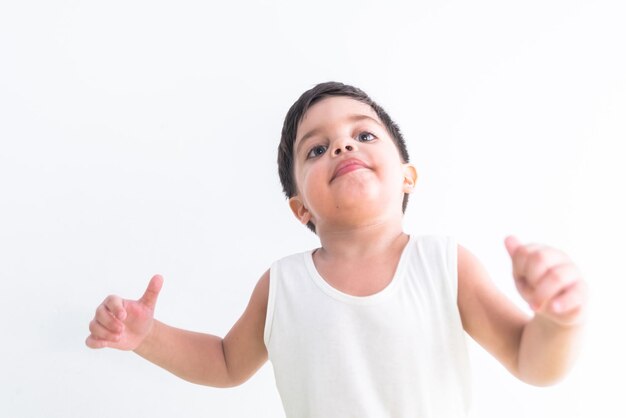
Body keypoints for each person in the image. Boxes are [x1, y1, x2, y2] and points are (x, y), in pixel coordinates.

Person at [86, 82, 588, 417]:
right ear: (300, 208)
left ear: (407, 177)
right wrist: (146, 335)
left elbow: (531, 362)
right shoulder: (282, 284)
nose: (343, 147)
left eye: (363, 134)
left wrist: (558, 321)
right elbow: (224, 363)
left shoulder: (443, 264)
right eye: (317, 149)